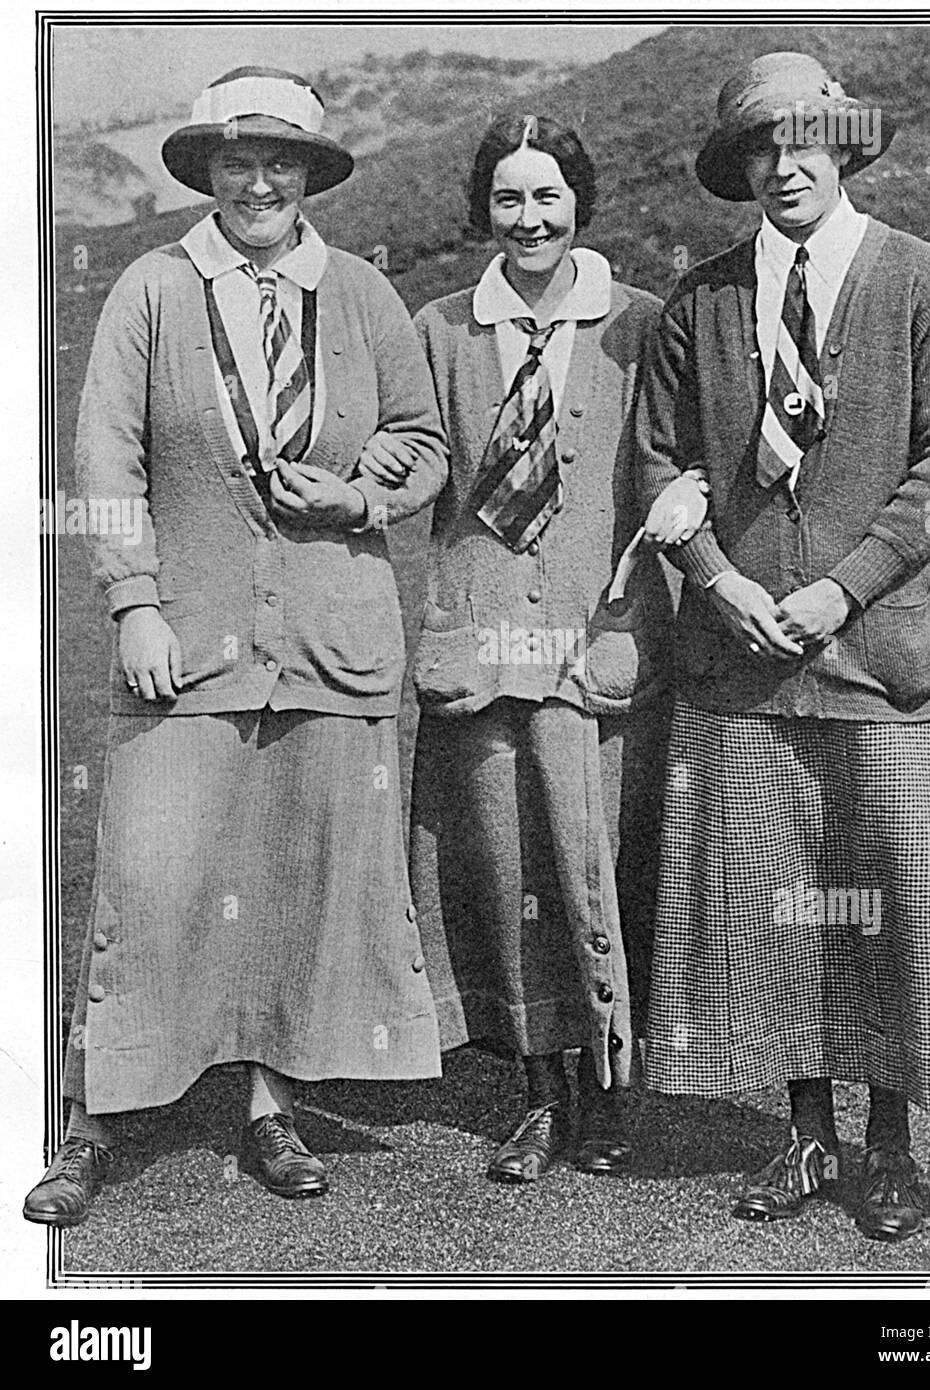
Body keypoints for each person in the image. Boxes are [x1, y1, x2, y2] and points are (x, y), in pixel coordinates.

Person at [636, 52, 930, 1241]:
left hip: (888, 663)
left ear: (845, 150)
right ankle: (804, 1133)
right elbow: (661, 464)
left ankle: (890, 1148)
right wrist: (715, 585)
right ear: (740, 169)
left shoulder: (918, 282)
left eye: (804, 142)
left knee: (900, 908)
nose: (784, 166)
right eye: (760, 148)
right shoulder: (700, 304)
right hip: (744, 664)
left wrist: (839, 592)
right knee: (778, 913)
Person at [24, 67, 448, 1227]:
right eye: (237, 161)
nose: (259, 182)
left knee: (295, 878)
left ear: (310, 176)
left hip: (333, 636)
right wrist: (134, 603)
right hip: (189, 639)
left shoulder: (358, 292)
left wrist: (360, 497)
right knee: (149, 879)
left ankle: (269, 1103)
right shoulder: (153, 289)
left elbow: (420, 439)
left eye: (282, 162)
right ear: (206, 171)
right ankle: (91, 1114)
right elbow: (105, 464)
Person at [361, 113, 672, 1183]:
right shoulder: (441, 327)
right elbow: (414, 460)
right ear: (481, 209)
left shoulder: (637, 323)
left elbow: (670, 465)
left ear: (579, 202)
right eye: (508, 198)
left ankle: (615, 1086)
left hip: (598, 634)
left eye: (547, 197)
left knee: (600, 867)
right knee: (503, 873)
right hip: (481, 639)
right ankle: (539, 1091)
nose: (529, 218)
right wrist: (351, 487)